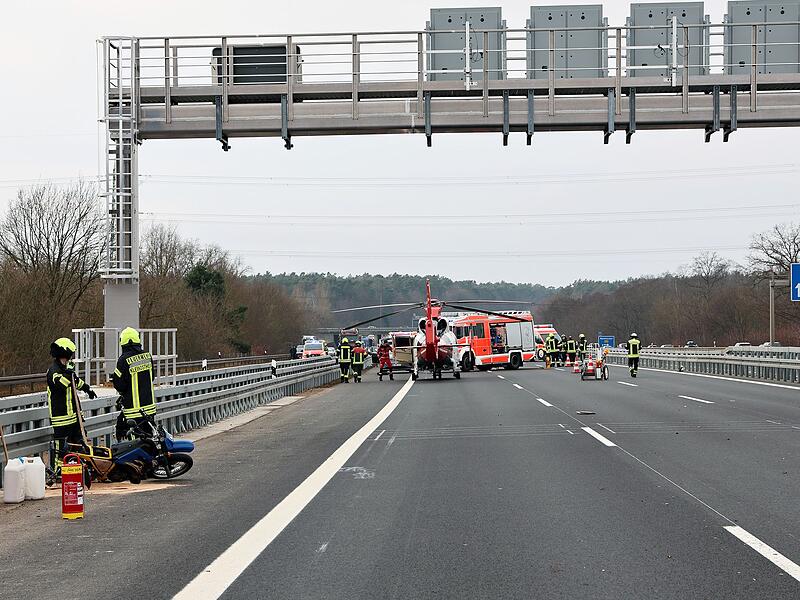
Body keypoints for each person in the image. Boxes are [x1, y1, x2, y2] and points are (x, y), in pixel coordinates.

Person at [47, 338, 97, 466]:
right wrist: (69, 373)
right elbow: (61, 385)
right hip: (62, 417)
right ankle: (59, 470)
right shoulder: (54, 371)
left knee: (79, 443)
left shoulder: (66, 369)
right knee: (61, 448)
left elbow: (76, 382)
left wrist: (87, 388)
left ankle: (78, 467)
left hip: (74, 416)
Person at [111, 327, 157, 441]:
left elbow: (119, 385)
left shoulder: (123, 360)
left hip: (133, 411)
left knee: (136, 444)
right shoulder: (147, 356)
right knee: (150, 439)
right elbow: (152, 377)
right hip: (149, 409)